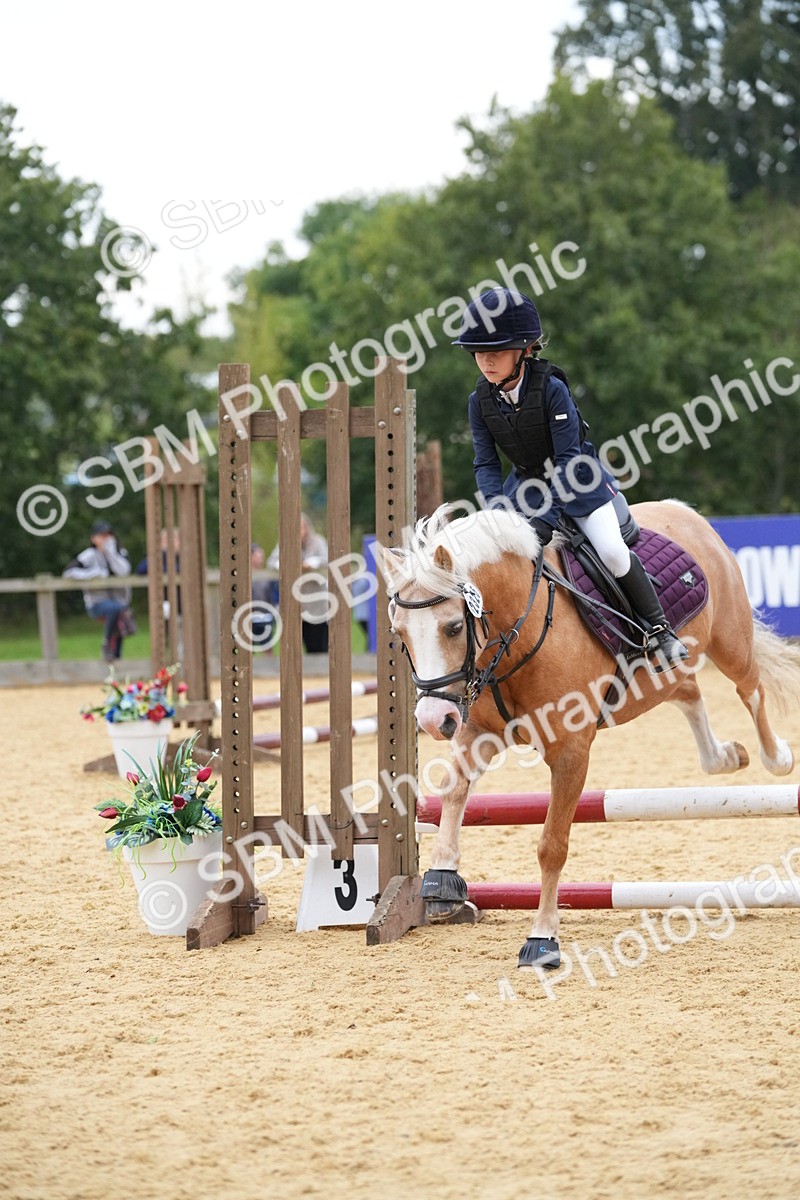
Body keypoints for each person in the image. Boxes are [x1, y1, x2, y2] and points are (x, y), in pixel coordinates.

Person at [453, 287, 688, 669]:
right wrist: (497, 513)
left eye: (496, 351)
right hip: (525, 488)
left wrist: (546, 520)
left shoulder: (552, 389)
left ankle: (660, 630)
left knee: (611, 552)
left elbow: (567, 460)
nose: (486, 361)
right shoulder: (478, 401)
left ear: (524, 349)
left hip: (579, 482)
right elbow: (485, 464)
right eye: (478, 352)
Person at [63, 519, 134, 662]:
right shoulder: (89, 555)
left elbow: (124, 571)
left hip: (120, 602)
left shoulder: (120, 552)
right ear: (93, 539)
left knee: (119, 617)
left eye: (108, 535)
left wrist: (111, 553)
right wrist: (93, 573)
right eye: (102, 536)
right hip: (98, 603)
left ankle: (115, 657)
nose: (106, 539)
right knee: (116, 609)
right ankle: (106, 644)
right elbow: (68, 572)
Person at [267, 514, 330, 654]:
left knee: (318, 644)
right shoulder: (284, 542)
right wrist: (286, 565)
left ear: (306, 528)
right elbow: (272, 562)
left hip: (316, 602)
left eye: (300, 527)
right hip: (294, 603)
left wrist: (311, 564)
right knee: (293, 647)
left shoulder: (317, 541)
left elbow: (325, 559)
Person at [250, 543, 278, 652]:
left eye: (262, 557)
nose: (261, 560)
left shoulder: (267, 575)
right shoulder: (244, 576)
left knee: (268, 649)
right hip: (249, 618)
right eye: (258, 556)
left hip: (265, 618)